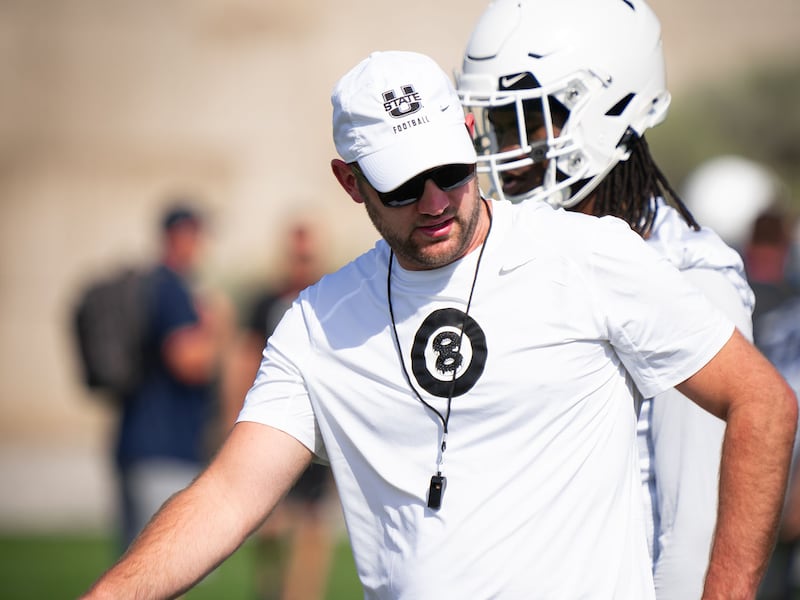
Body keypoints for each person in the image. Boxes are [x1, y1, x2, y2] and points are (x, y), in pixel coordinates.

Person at [80, 50, 796, 600]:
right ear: (348, 181)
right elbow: (228, 496)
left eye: (449, 170)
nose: (434, 201)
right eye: (400, 183)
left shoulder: (588, 255)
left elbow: (760, 400)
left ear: (465, 138)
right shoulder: (317, 324)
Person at [455, 1, 760, 598]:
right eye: (498, 124)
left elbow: (690, 540)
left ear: (604, 109)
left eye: (527, 120)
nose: (504, 154)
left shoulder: (689, 278)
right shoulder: (543, 255)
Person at [223, 218, 336, 599]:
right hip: (274, 424)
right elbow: (245, 358)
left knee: (312, 525)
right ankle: (270, 591)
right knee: (269, 523)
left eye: (307, 256)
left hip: (319, 426)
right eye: (295, 256)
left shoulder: (328, 299)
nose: (301, 264)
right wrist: (233, 417)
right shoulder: (266, 303)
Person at [114, 203, 230, 551]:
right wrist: (220, 330)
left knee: (136, 567)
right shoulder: (171, 289)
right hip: (163, 449)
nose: (200, 244)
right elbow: (188, 361)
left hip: (139, 443)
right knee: (157, 566)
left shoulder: (152, 285)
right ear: (177, 236)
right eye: (194, 235)